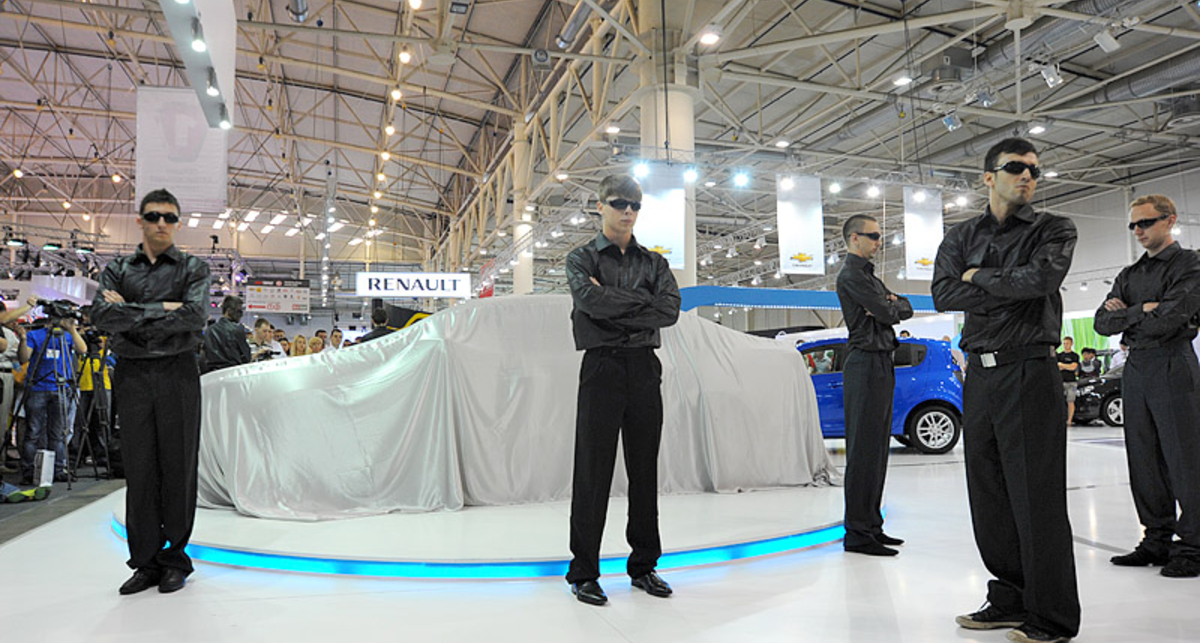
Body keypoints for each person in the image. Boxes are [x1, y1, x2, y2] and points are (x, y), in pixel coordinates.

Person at [932, 137, 1080, 643]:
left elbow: (1038, 281)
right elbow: (943, 291)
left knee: (1035, 497)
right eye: (1016, 168)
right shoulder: (960, 235)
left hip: (1029, 371)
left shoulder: (1054, 228)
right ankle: (1010, 599)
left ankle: (1052, 616)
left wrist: (979, 279)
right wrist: (1001, 283)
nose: (1028, 177)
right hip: (981, 374)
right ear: (987, 177)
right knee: (989, 494)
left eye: (1035, 170)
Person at [563, 174, 681, 606]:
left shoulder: (655, 263)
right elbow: (588, 303)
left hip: (645, 369)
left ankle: (644, 566)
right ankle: (584, 572)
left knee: (644, 470)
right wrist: (641, 306)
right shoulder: (581, 259)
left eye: (635, 204)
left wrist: (611, 301)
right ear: (599, 206)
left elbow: (669, 312)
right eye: (618, 203)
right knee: (592, 470)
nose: (628, 210)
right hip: (601, 368)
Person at [91, 188, 210, 596]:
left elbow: (195, 314)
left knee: (178, 467)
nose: (162, 223)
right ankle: (145, 562)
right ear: (140, 220)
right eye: (154, 216)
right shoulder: (118, 268)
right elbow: (101, 314)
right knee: (139, 469)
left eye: (170, 217)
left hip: (178, 373)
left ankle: (174, 560)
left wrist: (131, 312)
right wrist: (166, 310)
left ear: (177, 223)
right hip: (133, 375)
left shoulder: (193, 267)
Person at [1094, 194, 1200, 579]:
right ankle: (1156, 538)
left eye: (1146, 223)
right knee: (1143, 456)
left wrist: (1129, 316)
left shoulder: (1190, 264)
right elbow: (1102, 324)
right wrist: (1143, 310)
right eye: (1133, 225)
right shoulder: (1129, 274)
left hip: (1173, 362)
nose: (1139, 231)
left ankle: (1192, 545)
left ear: (1169, 221)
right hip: (1137, 367)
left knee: (1184, 458)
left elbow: (1173, 318)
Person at [836, 214, 913, 557]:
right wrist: (889, 304)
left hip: (881, 362)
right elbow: (886, 310)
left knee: (878, 449)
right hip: (865, 363)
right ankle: (856, 533)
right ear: (854, 238)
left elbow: (901, 308)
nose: (879, 242)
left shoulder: (868, 277)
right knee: (863, 452)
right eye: (873, 236)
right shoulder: (852, 275)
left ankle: (872, 525)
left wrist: (892, 305)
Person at [20, 296, 87, 484]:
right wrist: (24, 339)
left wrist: (72, 329)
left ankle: (58, 469)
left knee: (57, 434)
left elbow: (82, 349)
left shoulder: (67, 336)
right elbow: (24, 358)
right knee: (33, 432)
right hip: (38, 388)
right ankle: (29, 470)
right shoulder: (37, 334)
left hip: (61, 388)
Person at [201, 296, 249, 373]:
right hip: (232, 373)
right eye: (239, 311)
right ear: (229, 311)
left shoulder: (209, 330)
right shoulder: (237, 330)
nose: (241, 315)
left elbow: (203, 356)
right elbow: (246, 357)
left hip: (211, 375)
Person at [1057, 337, 1080, 426]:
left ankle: (1069, 420)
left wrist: (1063, 365)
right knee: (1060, 401)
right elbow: (1058, 366)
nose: (1065, 345)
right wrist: (1067, 366)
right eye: (1064, 343)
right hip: (1061, 381)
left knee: (1071, 401)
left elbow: (1074, 367)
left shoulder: (1075, 356)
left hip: (1071, 382)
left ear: (1071, 344)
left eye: (1067, 343)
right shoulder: (1059, 356)